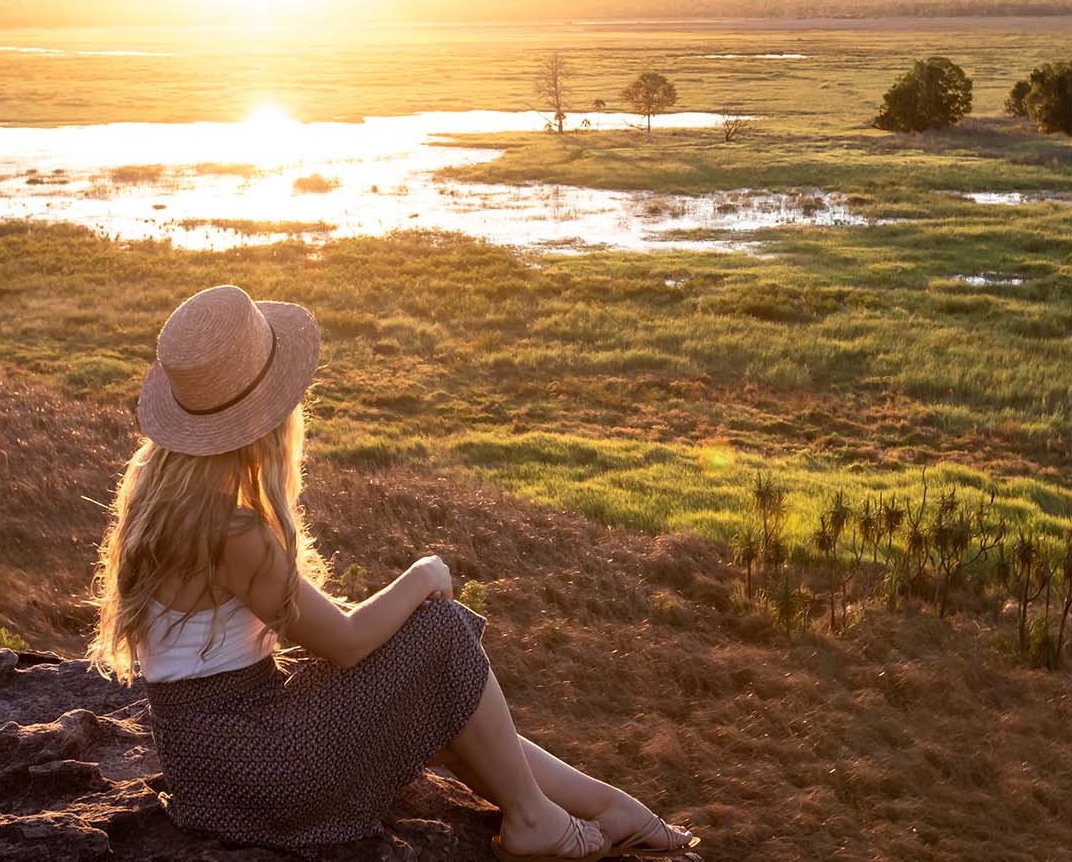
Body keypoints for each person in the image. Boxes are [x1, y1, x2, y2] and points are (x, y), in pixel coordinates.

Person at [88, 284, 699, 860]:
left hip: (210, 765)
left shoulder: (159, 497)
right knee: (440, 630)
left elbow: (326, 638)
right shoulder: (235, 531)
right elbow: (350, 642)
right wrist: (423, 574)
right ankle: (534, 819)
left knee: (427, 680)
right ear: (265, 419)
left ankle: (607, 806)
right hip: (257, 765)